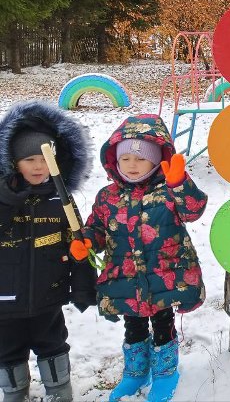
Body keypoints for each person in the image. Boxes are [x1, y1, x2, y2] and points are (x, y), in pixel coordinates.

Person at [76, 114, 207, 402]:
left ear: (157, 160)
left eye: (140, 159)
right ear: (114, 161)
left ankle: (165, 372)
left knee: (163, 322)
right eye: (125, 160)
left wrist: (180, 184)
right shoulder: (107, 197)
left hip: (164, 274)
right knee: (132, 324)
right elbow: (97, 228)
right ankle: (135, 372)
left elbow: (194, 210)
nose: (132, 166)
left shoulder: (168, 193)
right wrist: (86, 241)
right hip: (125, 277)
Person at [0, 101, 96, 402]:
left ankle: (58, 389)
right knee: (7, 348)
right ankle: (14, 391)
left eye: (44, 158)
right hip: (5, 299)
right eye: (29, 159)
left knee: (53, 344)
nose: (38, 166)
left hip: (48, 295)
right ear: (14, 162)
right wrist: (8, 202)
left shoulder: (61, 201)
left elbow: (79, 247)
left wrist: (83, 287)